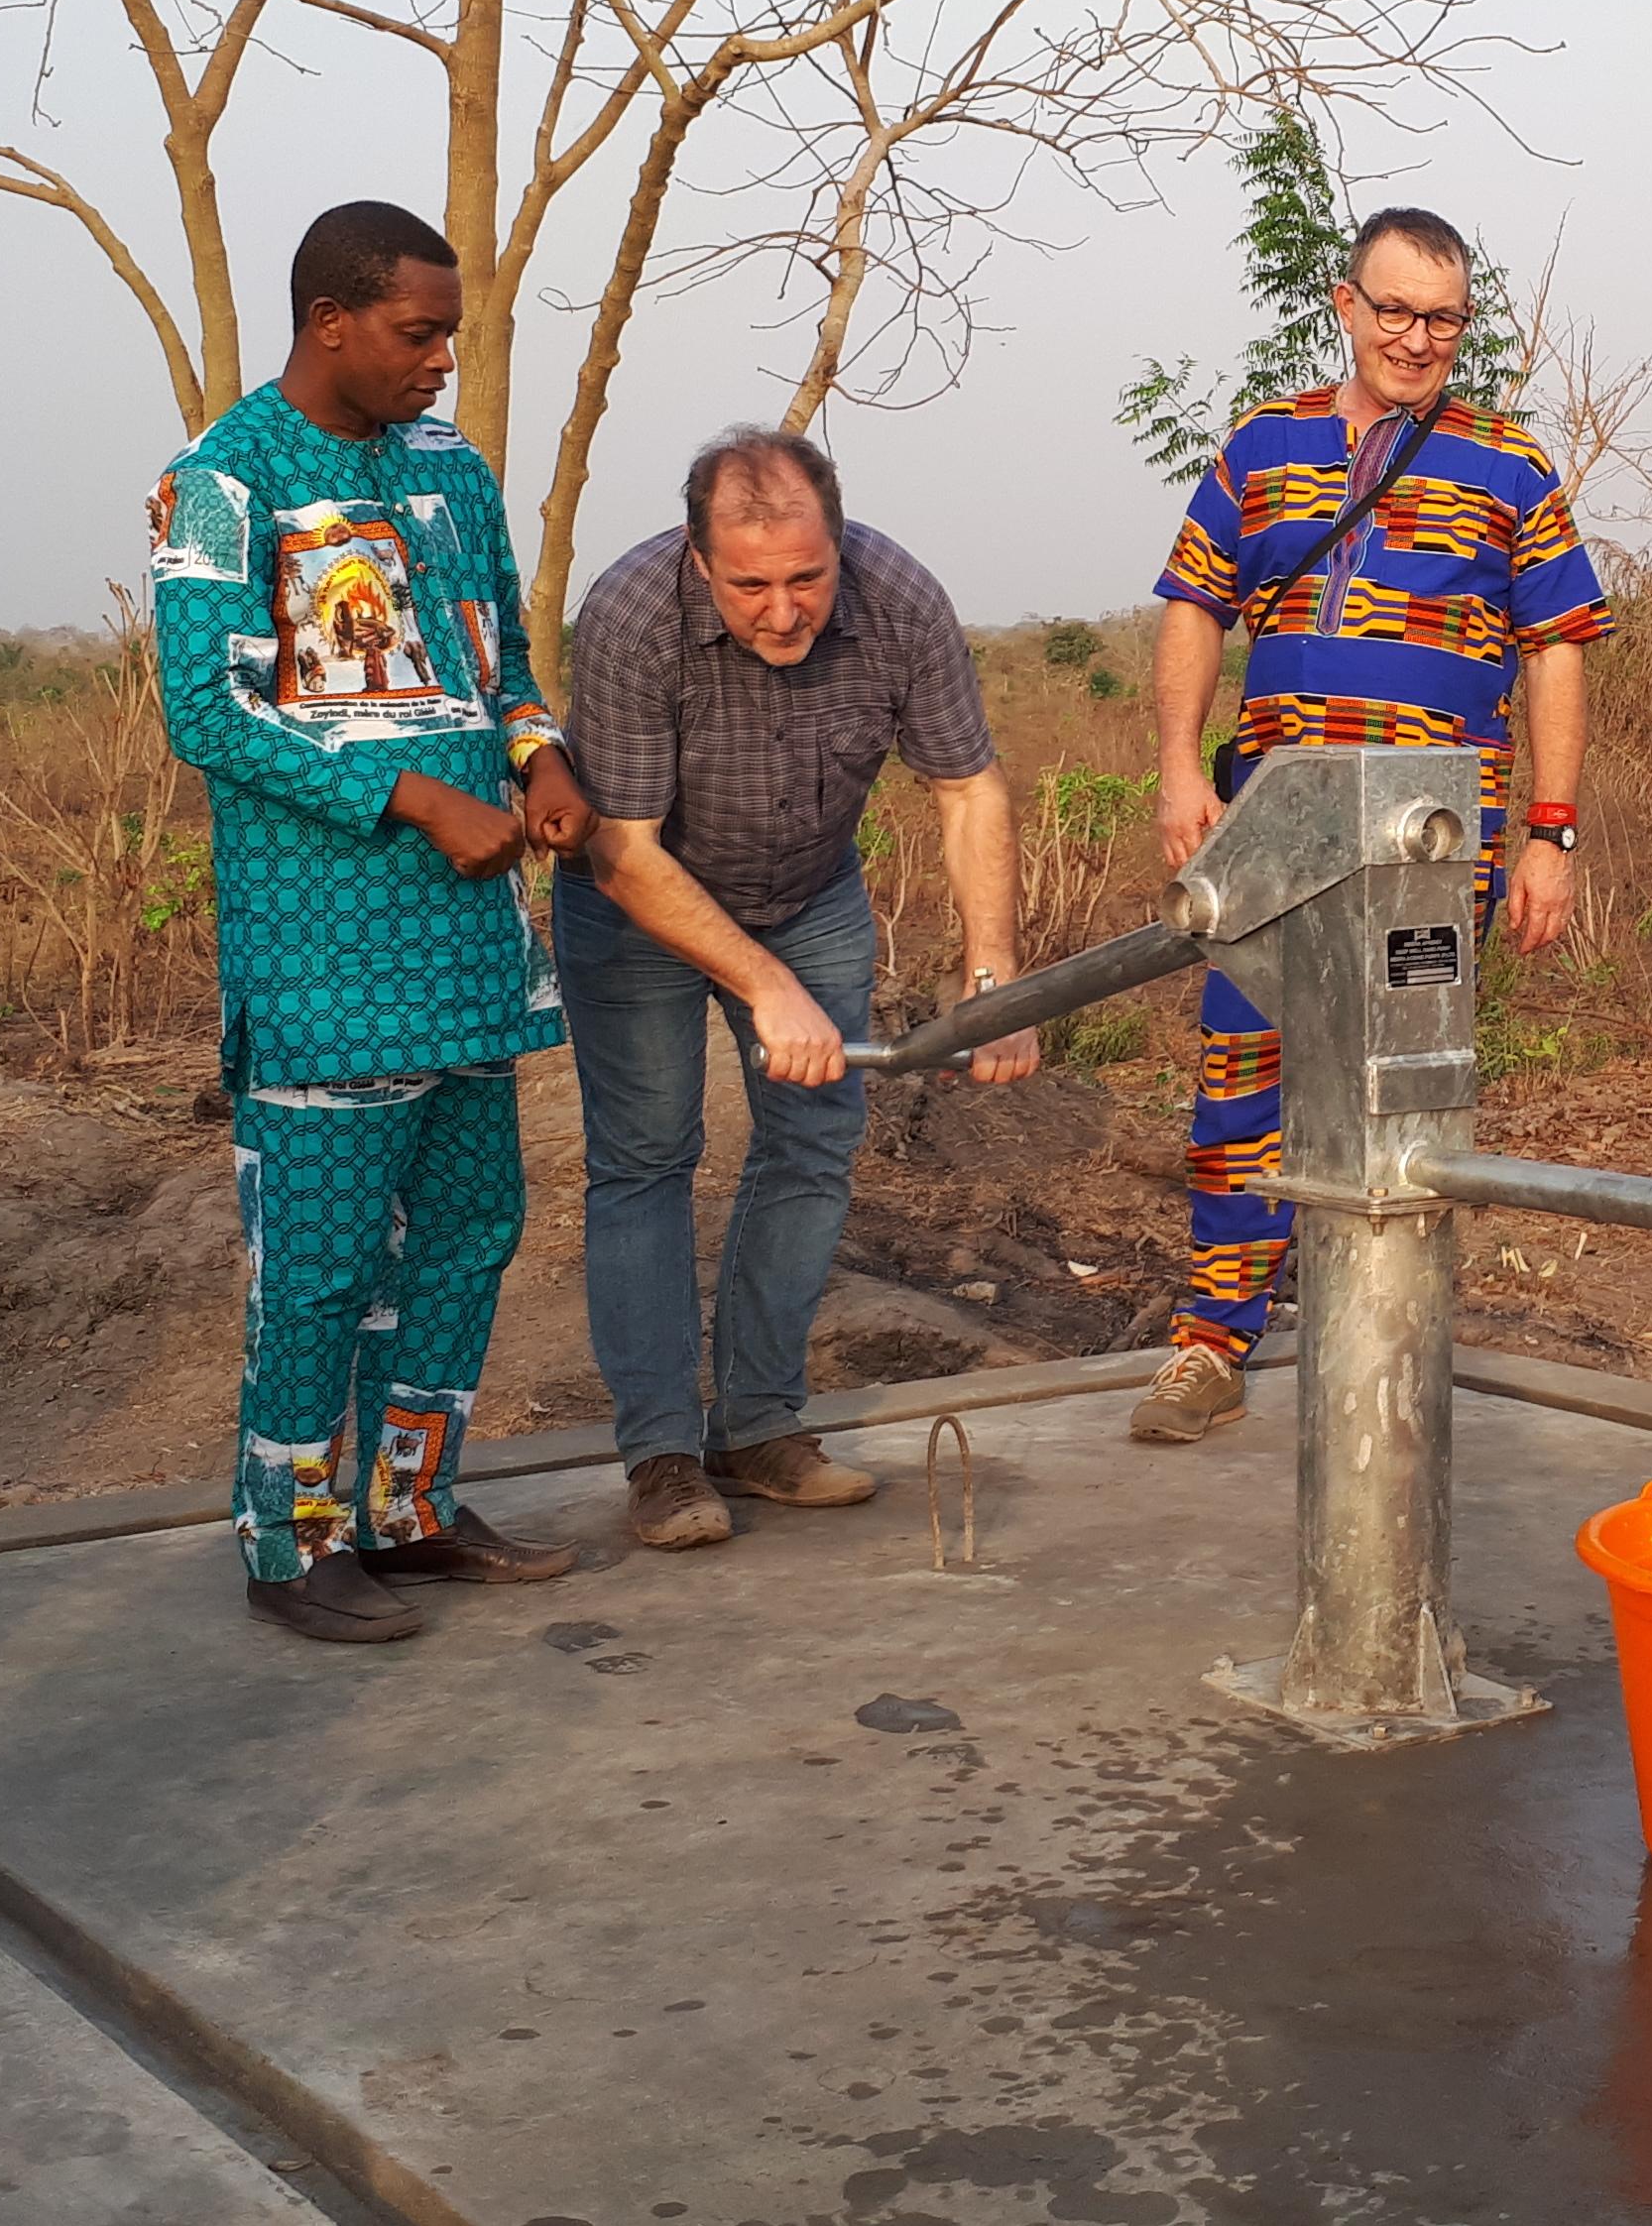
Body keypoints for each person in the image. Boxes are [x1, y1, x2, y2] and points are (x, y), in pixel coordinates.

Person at [150, 201, 594, 1644]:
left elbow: (503, 661)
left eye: (450, 336)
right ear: (330, 320)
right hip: (327, 951)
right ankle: (292, 1546)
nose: (440, 363)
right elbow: (205, 712)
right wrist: (410, 793)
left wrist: (538, 759)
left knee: (470, 1230)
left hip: (470, 948)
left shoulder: (452, 471)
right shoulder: (226, 482)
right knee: (325, 1263)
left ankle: (411, 1510)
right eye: (419, 334)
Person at [1131, 207, 1608, 1443]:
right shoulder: (1265, 442)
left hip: (1429, 855)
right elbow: (1194, 603)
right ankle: (1211, 1342)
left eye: (1441, 318)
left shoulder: (1511, 464)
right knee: (1243, 1079)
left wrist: (1548, 833)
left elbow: (1558, 649)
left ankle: (1379, 1350)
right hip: (1273, 830)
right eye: (1393, 309)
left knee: (1405, 1089)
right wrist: (1181, 773)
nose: (1415, 337)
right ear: (1345, 305)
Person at [556, 429, 1035, 1549]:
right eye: (751, 585)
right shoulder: (631, 615)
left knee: (814, 1145)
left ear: (839, 542)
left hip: (810, 889)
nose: (783, 611)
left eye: (807, 579)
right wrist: (767, 986)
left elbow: (967, 790)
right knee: (646, 1158)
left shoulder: (900, 595)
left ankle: (760, 1428)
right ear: (697, 555)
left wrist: (995, 976)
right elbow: (622, 849)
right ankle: (665, 1458)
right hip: (638, 901)